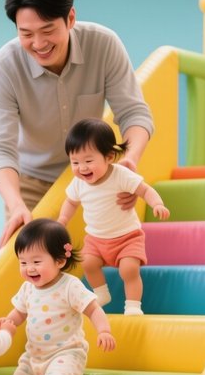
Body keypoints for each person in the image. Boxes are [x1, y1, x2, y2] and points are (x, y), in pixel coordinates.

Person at [0, 0, 155, 248]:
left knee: (108, 249)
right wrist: (15, 204)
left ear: (70, 18)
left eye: (48, 30)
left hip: (95, 172)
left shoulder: (103, 44)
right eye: (26, 34)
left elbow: (134, 113)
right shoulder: (3, 67)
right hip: (31, 181)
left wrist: (130, 162)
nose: (38, 44)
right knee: (28, 266)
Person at [0, 218, 115, 375]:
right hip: (35, 354)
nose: (29, 268)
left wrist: (104, 330)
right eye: (23, 262)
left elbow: (93, 309)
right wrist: (6, 323)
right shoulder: (28, 289)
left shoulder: (70, 286)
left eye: (36, 261)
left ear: (59, 261)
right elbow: (19, 313)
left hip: (66, 352)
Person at [58, 118, 170, 316]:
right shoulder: (79, 183)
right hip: (96, 239)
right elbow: (71, 202)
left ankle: (133, 306)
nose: (82, 168)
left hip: (127, 237)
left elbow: (145, 191)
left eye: (88, 161)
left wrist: (157, 204)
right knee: (87, 263)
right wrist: (63, 220)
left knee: (128, 270)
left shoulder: (121, 175)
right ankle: (102, 293)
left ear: (109, 157)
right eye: (75, 162)